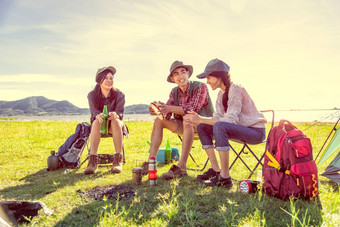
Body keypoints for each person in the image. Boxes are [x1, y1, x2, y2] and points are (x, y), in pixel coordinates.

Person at [184, 58, 266, 188]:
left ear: (219, 76)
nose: (207, 81)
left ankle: (225, 177)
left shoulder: (236, 89)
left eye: (209, 77)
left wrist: (200, 118)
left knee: (219, 125)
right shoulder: (220, 95)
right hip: (239, 129)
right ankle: (216, 170)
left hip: (255, 132)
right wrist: (199, 120)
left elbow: (230, 120)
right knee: (203, 127)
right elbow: (217, 117)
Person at [143, 60, 214, 180]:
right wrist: (159, 111)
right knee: (158, 121)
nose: (180, 76)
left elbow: (192, 108)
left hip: (204, 125)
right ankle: (151, 161)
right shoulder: (174, 92)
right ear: (173, 78)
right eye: (176, 74)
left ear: (188, 74)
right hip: (186, 126)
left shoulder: (200, 87)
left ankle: (181, 166)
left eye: (183, 72)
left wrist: (169, 107)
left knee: (188, 118)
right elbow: (167, 115)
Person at [84, 66, 128, 175]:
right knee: (96, 121)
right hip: (99, 126)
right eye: (106, 78)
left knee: (115, 121)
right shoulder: (92, 95)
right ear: (99, 80)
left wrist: (115, 115)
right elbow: (93, 111)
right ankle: (93, 162)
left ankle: (118, 160)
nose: (109, 81)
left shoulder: (119, 95)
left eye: (111, 78)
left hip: (115, 126)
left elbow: (120, 113)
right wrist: (97, 115)